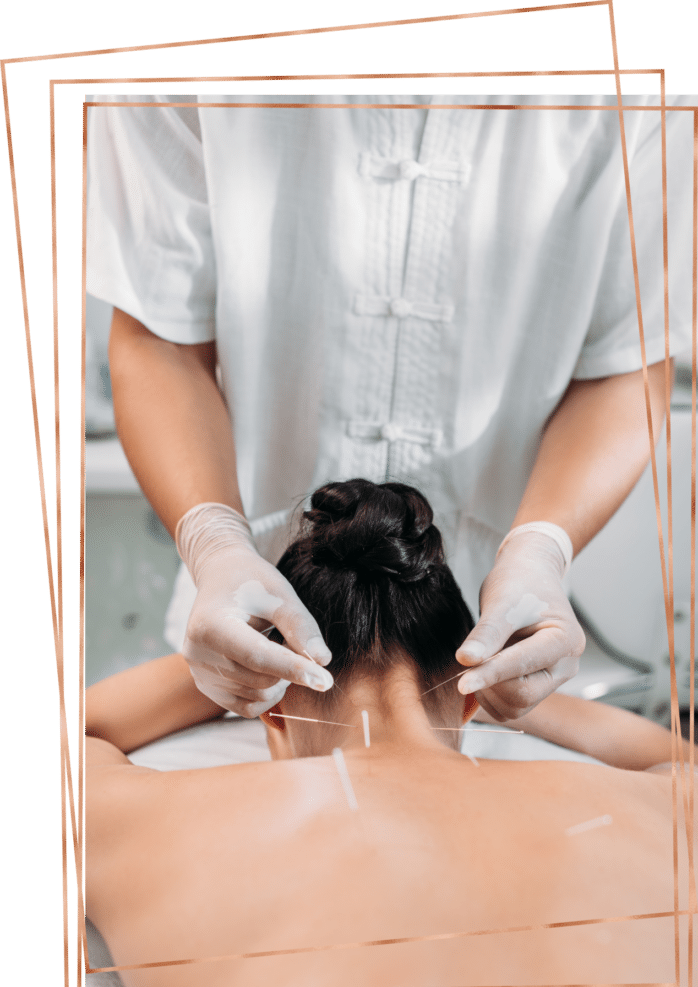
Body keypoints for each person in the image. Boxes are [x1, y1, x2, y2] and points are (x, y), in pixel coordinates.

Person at [86, 93, 693, 720]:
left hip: (462, 646)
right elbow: (158, 333)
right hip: (256, 639)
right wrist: (215, 546)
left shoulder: (644, 76)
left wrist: (541, 549)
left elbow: (627, 362)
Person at [86, 480, 695, 987]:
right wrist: (493, 672)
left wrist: (229, 668)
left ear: (270, 706)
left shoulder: (160, 823)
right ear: (471, 701)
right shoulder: (655, 817)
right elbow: (675, 757)